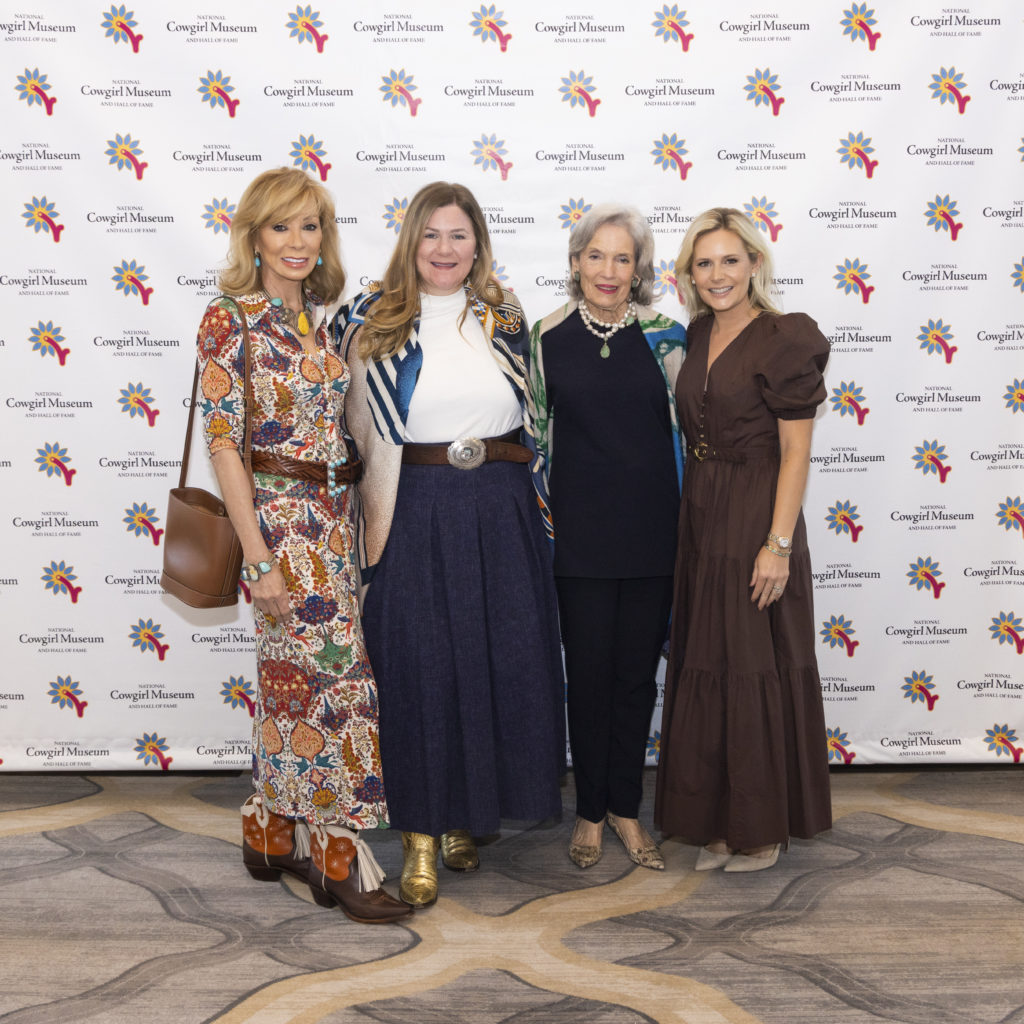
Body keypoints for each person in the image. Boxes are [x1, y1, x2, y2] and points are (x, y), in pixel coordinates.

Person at [335, 181, 565, 908]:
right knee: (418, 668)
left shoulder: (504, 315)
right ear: (410, 241)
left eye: (459, 235)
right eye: (431, 235)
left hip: (500, 504)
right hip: (410, 505)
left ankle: (468, 815)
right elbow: (337, 424)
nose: (444, 249)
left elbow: (537, 415)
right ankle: (420, 836)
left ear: (478, 244)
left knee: (494, 661)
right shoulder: (364, 320)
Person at [197, 167, 411, 923]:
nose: (296, 241)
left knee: (294, 685)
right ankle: (342, 856)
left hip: (335, 520)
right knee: (345, 689)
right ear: (254, 236)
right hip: (280, 527)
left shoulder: (323, 319)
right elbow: (224, 443)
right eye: (281, 226)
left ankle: (272, 830)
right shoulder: (231, 318)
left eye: (310, 226)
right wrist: (257, 556)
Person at [654, 206, 832, 872]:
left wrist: (778, 544)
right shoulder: (699, 333)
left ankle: (761, 828)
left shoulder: (783, 338)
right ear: (689, 275)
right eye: (704, 263)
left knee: (754, 664)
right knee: (710, 663)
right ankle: (720, 823)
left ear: (754, 262)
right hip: (702, 511)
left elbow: (795, 453)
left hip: (757, 510)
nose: (717, 274)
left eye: (730, 260)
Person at [529, 204, 686, 871]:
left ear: (640, 269)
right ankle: (589, 813)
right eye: (597, 255)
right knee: (588, 680)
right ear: (574, 262)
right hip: (579, 545)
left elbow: (693, 439)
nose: (609, 270)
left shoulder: (666, 337)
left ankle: (627, 808)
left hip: (655, 540)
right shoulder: (546, 336)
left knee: (635, 682)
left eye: (624, 258)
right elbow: (535, 442)